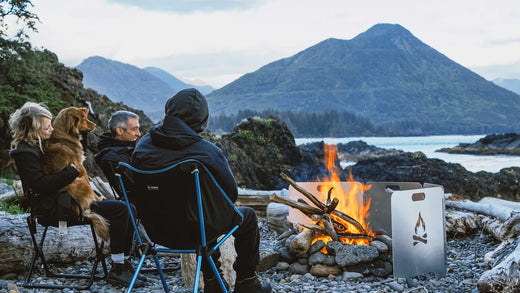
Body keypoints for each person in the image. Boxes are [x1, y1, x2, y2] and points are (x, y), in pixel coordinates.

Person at [132, 88, 272, 293]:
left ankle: (214, 282)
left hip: (156, 230)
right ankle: (246, 282)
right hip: (195, 230)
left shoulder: (143, 145)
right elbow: (230, 195)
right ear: (202, 120)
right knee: (244, 216)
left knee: (200, 211)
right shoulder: (207, 151)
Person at [8, 102, 145, 288]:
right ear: (34, 128)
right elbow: (41, 185)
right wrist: (73, 171)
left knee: (130, 209)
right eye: (48, 127)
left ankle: (123, 264)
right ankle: (118, 269)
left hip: (65, 200)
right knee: (121, 210)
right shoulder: (25, 153)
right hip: (57, 207)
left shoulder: (38, 145)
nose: (52, 129)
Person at [95, 110, 141, 198]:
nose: (139, 134)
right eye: (134, 129)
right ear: (120, 130)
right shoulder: (114, 158)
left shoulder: (123, 152)